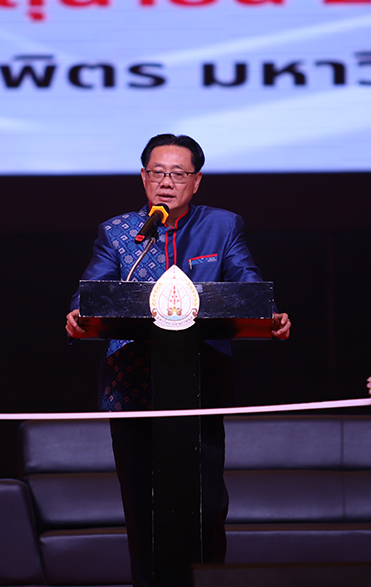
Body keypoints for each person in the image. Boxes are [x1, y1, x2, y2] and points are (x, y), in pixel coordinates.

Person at [66, 133, 290, 587]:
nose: (166, 182)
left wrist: (269, 312)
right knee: (142, 506)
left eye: (178, 173)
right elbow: (92, 292)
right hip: (132, 387)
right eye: (158, 172)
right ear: (143, 177)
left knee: (206, 505)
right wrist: (77, 313)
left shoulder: (221, 226)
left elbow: (247, 286)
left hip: (199, 386)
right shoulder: (120, 232)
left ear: (196, 180)